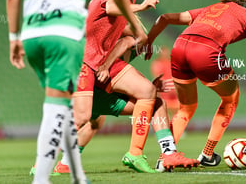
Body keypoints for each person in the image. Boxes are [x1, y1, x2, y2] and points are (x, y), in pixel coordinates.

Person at [6, 0, 146, 183]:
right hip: (64, 35)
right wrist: (135, 20)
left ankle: (75, 174)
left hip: (33, 35)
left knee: (65, 107)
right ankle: (41, 174)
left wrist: (14, 38)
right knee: (69, 112)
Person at [74, 0, 198, 173]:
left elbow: (128, 37)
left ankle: (163, 153)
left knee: (151, 96)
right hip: (87, 65)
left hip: (102, 66)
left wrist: (143, 40)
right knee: (84, 118)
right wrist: (141, 9)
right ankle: (50, 160)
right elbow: (110, 7)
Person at [144, 0, 246, 166]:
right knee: (231, 98)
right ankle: (206, 154)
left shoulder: (211, 8)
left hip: (179, 47)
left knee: (186, 107)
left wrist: (148, 42)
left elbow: (164, 18)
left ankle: (166, 158)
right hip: (205, 52)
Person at [47, 36, 198, 174]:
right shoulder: (124, 34)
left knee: (93, 123)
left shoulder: (118, 37)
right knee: (154, 103)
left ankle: (63, 162)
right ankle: (156, 153)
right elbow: (126, 41)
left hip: (93, 90)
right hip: (91, 89)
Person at [150, 46, 180, 118]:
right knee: (164, 110)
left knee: (177, 110)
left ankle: (175, 126)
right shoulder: (157, 64)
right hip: (165, 90)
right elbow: (157, 77)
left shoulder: (171, 63)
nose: (165, 54)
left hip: (173, 90)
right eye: (163, 52)